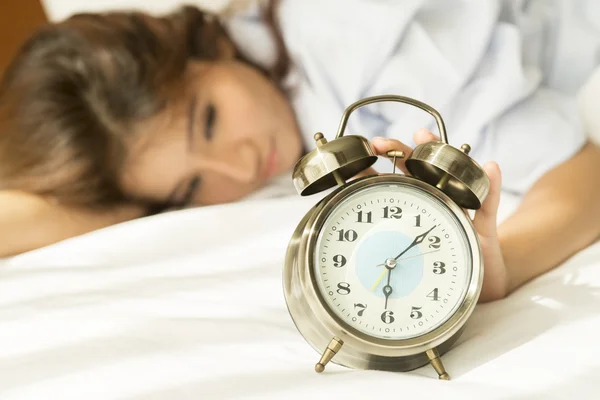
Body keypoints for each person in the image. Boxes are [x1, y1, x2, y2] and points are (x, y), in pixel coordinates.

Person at [0, 1, 599, 303]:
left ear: (200, 47)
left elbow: (587, 170)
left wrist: (499, 268)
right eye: (189, 188)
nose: (238, 167)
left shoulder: (350, 33)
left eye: (206, 122)